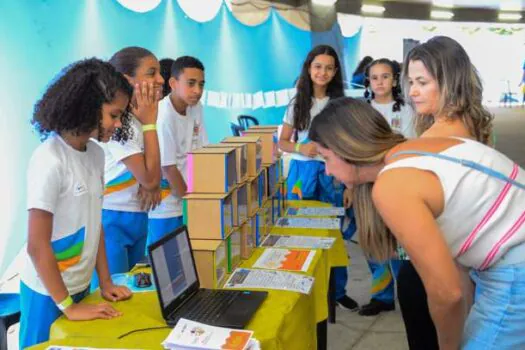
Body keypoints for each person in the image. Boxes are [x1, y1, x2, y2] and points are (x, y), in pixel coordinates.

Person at [20, 58, 133, 348]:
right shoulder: (49, 160)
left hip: (79, 287)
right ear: (88, 107)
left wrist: (105, 283)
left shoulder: (96, 154)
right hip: (47, 293)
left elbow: (95, 224)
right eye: (113, 115)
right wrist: (68, 306)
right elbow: (36, 244)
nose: (118, 124)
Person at [278, 45, 358, 311]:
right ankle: (301, 290)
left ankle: (336, 291)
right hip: (302, 175)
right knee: (300, 233)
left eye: (328, 67)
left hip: (333, 174)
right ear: (309, 69)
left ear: (335, 72)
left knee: (333, 233)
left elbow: (348, 147)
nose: (322, 72)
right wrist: (301, 147)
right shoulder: (296, 103)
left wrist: (350, 185)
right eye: (317, 66)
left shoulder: (341, 106)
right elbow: (282, 143)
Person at [95, 47, 163, 287]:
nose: (160, 80)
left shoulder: (138, 118)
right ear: (127, 80)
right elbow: (151, 177)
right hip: (112, 218)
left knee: (131, 291)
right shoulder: (116, 123)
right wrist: (151, 124)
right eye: (152, 73)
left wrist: (151, 181)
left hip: (138, 214)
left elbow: (153, 169)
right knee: (112, 292)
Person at [355, 57, 417, 316]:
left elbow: (410, 144)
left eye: (385, 76)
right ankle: (382, 296)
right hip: (366, 185)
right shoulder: (361, 110)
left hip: (398, 182)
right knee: (371, 239)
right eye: (375, 77)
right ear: (367, 81)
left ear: (395, 79)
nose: (380, 82)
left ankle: (407, 293)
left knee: (399, 241)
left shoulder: (407, 109)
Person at [148, 56, 208, 244]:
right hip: (168, 207)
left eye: (201, 84)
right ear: (173, 83)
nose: (197, 91)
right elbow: (168, 168)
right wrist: (191, 203)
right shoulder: (164, 115)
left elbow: (204, 150)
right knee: (168, 263)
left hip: (189, 197)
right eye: (191, 83)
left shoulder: (195, 107)